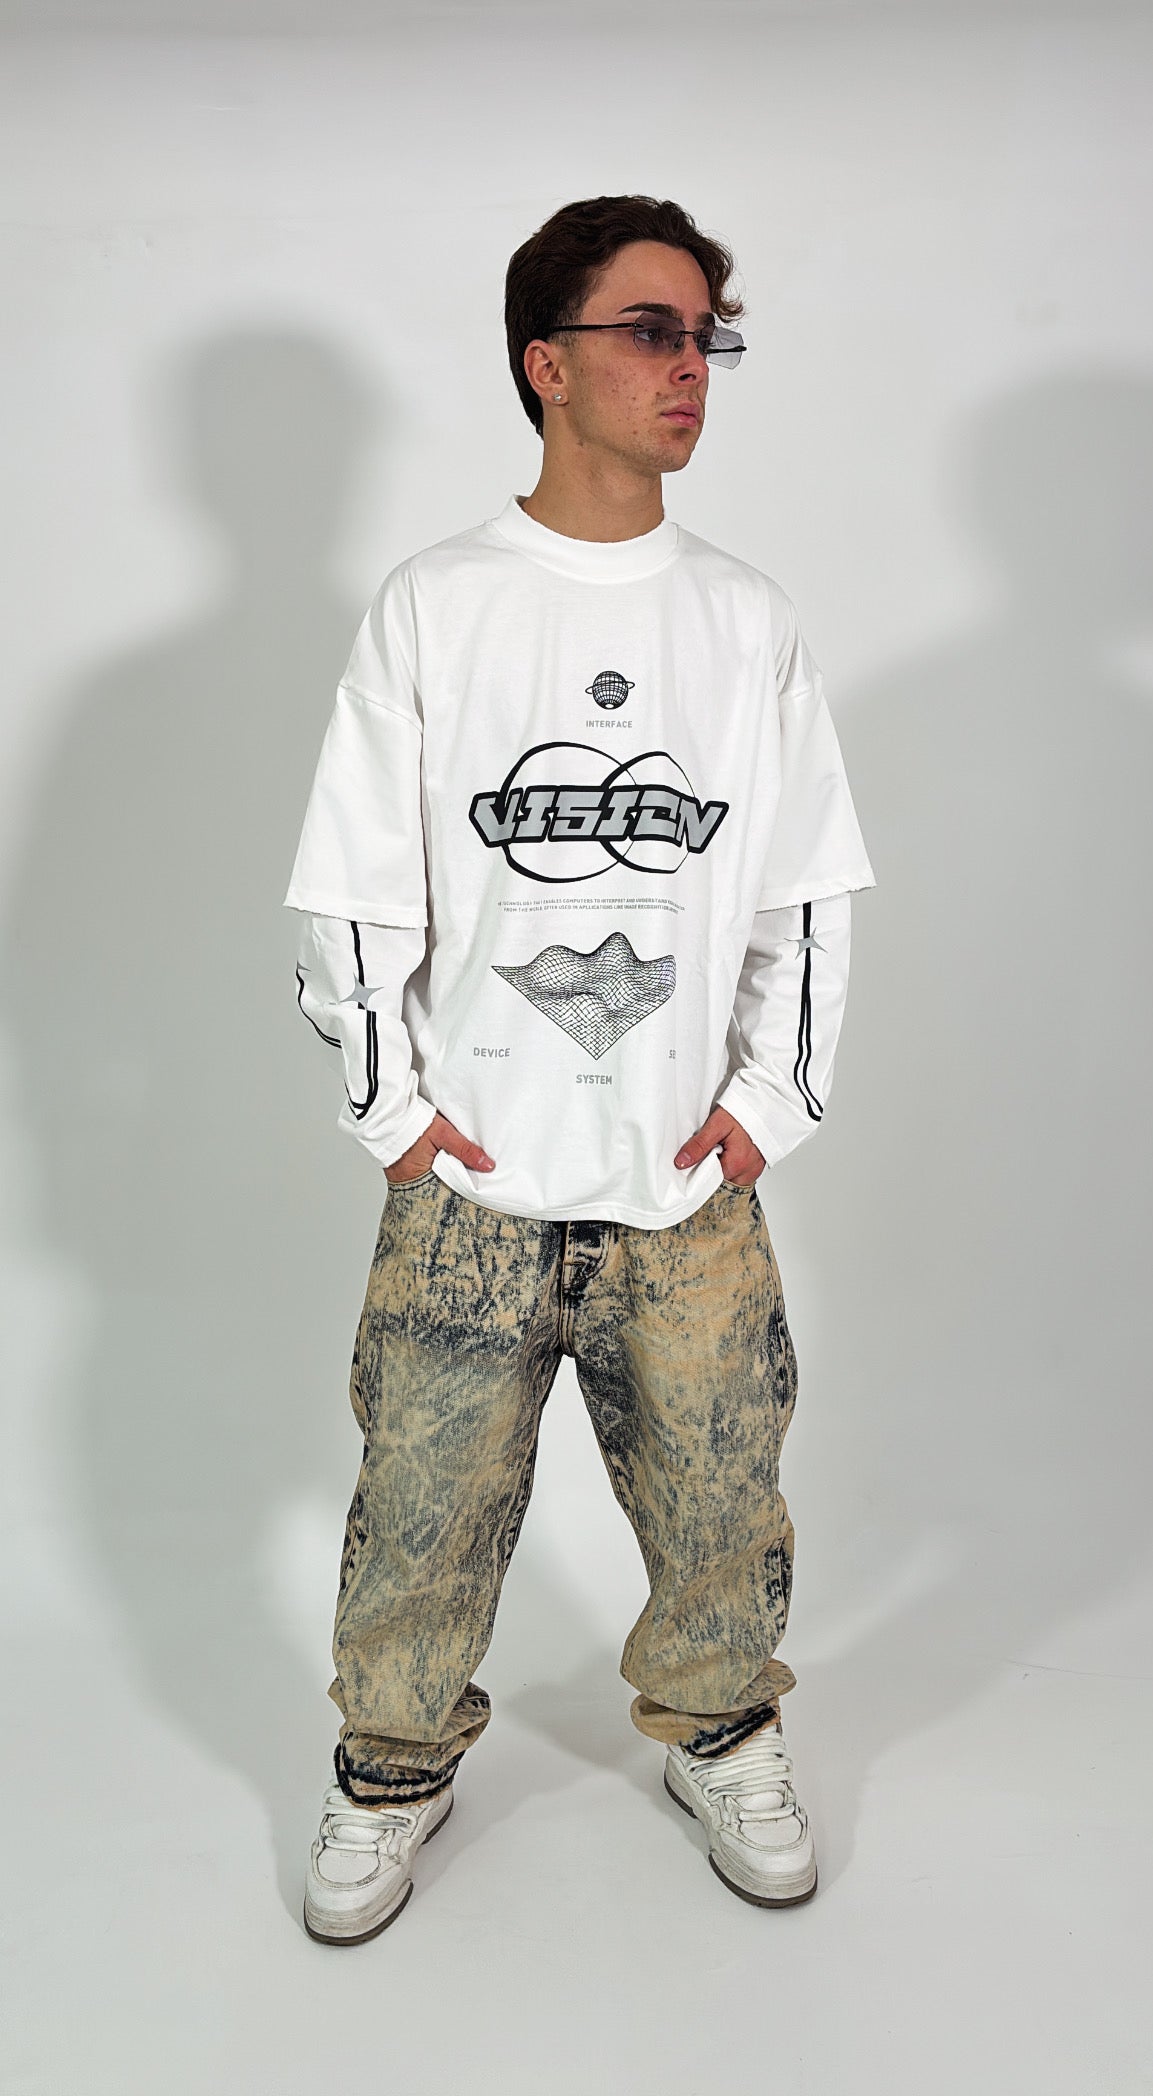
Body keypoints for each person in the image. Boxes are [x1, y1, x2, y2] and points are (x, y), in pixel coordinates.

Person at [283, 193, 876, 1944]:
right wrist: (397, 1114)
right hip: (470, 1182)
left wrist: (767, 1109)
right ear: (548, 364)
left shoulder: (744, 620)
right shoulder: (439, 605)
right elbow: (352, 883)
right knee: (421, 1503)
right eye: (652, 331)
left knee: (722, 1494)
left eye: (708, 337)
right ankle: (390, 1766)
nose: (692, 368)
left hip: (684, 1182)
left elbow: (806, 894)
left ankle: (724, 1732)